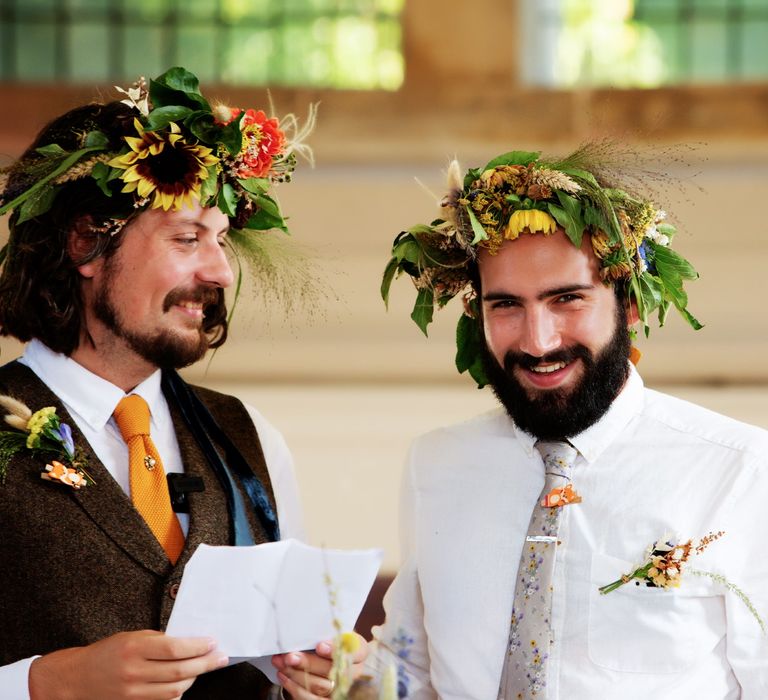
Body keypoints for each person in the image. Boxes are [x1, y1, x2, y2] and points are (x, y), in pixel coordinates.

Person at [0, 67, 349, 699]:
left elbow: (292, 658)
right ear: (85, 242)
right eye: (187, 238)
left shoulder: (251, 438)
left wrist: (323, 679)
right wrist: (49, 683)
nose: (219, 271)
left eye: (220, 241)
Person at [373, 148, 768, 698]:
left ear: (629, 304)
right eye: (505, 305)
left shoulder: (741, 472)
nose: (538, 341)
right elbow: (411, 671)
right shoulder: (436, 463)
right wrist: (337, 681)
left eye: (567, 299)